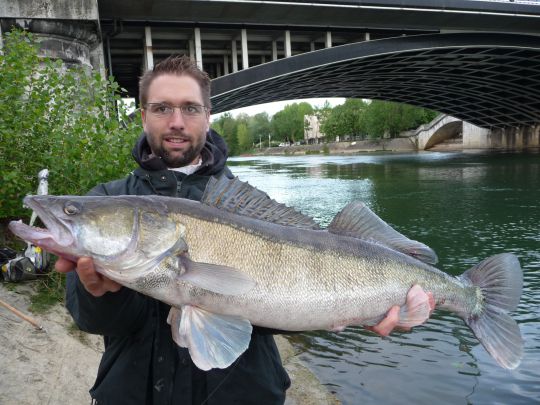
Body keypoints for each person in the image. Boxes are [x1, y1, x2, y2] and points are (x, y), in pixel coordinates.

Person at [55, 55, 434, 405]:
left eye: (190, 108)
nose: (176, 121)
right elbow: (91, 322)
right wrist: (101, 294)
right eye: (161, 108)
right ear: (143, 116)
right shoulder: (105, 199)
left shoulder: (251, 209)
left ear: (208, 115)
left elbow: (278, 311)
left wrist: (363, 308)